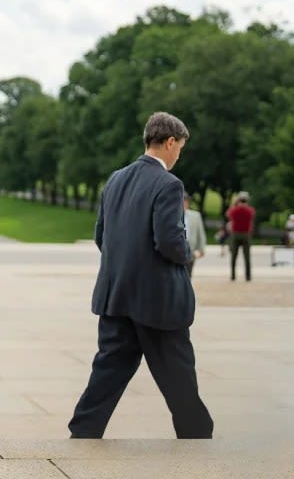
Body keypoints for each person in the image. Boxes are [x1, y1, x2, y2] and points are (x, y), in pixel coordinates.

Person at [69, 111, 213, 439]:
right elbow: (169, 241)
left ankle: (84, 430)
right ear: (170, 142)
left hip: (115, 295)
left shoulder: (116, 179)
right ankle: (197, 434)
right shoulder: (168, 184)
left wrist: (127, 264)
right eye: (180, 148)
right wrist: (187, 255)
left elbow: (101, 236)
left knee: (108, 370)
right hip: (157, 300)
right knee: (177, 374)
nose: (179, 155)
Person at [225, 191, 255, 281]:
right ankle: (248, 276)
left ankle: (233, 275)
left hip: (236, 234)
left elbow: (228, 214)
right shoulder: (250, 210)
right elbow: (252, 216)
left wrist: (234, 204)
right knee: (247, 257)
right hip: (246, 234)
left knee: (234, 256)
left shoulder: (234, 210)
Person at [182, 195, 205, 278]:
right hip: (177, 248)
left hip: (190, 248)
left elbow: (200, 232)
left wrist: (201, 248)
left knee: (188, 274)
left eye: (185, 201)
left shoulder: (195, 215)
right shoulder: (172, 215)